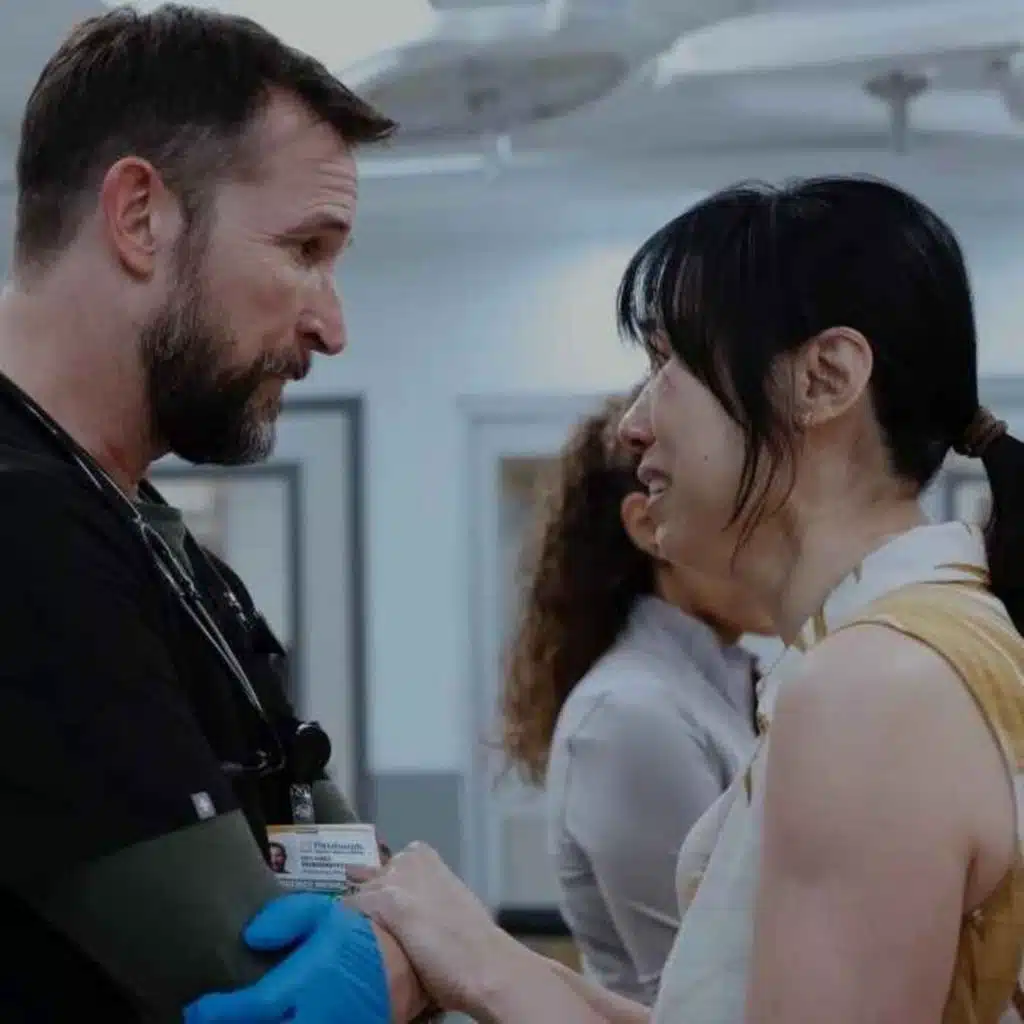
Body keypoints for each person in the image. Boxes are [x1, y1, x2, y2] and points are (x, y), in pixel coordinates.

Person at [193, 175, 1024, 1024]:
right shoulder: (899, 649)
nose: (633, 424)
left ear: (825, 378)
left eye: (667, 366)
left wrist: (485, 969)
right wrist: (474, 948)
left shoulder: (874, 687)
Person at [0, 5, 428, 1022]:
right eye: (305, 248)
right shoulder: (24, 529)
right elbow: (261, 993)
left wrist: (398, 959)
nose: (331, 325)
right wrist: (422, 960)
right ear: (140, 217)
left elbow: (348, 871)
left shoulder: (151, 537)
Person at [502, 388, 771, 1003]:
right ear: (650, 525)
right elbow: (700, 985)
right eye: (749, 509)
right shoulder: (630, 714)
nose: (779, 538)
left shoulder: (721, 686)